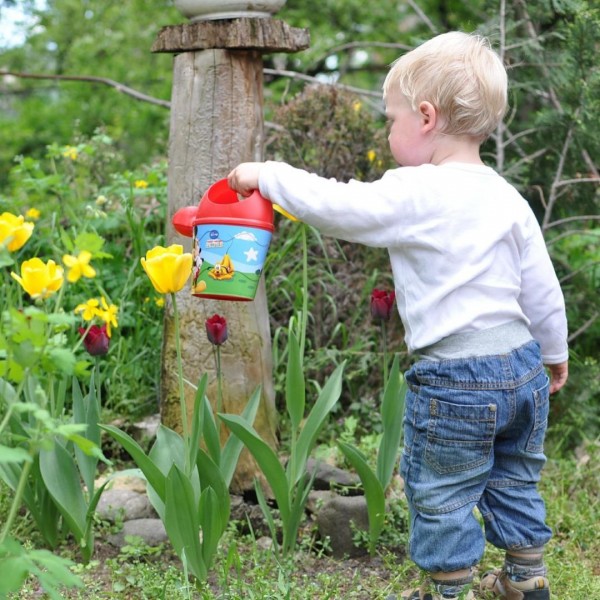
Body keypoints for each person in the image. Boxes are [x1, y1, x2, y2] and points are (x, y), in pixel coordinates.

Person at [228, 30, 568, 600]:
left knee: (442, 489)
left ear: (427, 118)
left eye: (392, 119)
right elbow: (543, 290)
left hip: (456, 378)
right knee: (514, 478)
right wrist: (553, 354)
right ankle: (525, 576)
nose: (388, 133)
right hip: (522, 366)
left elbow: (337, 207)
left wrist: (266, 176)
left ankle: (449, 591)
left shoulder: (416, 190)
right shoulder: (507, 197)